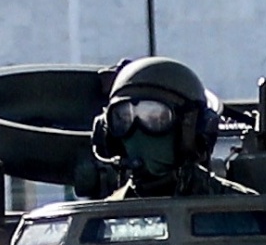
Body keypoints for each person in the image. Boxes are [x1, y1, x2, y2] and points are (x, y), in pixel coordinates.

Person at [88, 56, 244, 197]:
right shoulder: (103, 219)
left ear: (191, 127)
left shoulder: (240, 210)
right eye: (124, 119)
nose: (137, 130)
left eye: (155, 118)